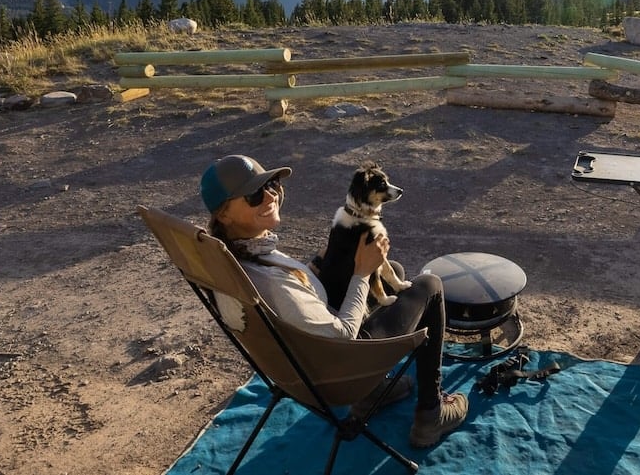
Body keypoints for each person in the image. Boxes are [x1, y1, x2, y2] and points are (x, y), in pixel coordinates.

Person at [199, 154, 467, 448]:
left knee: (396, 273)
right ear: (223, 214)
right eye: (253, 194)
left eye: (272, 184)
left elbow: (297, 296)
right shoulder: (269, 281)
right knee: (429, 286)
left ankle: (376, 392)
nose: (270, 195)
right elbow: (341, 334)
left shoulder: (236, 259)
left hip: (297, 364)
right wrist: (362, 273)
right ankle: (432, 411)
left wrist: (322, 261)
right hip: (339, 371)